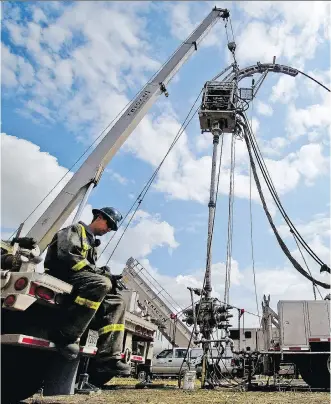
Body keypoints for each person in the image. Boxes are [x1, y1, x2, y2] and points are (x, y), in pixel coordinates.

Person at [44, 207, 130, 377]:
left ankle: (108, 358)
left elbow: (89, 271)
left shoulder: (92, 245)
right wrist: (103, 275)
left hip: (81, 281)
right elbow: (69, 257)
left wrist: (108, 277)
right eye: (109, 224)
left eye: (112, 228)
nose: (109, 230)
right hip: (63, 276)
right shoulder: (75, 230)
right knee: (102, 283)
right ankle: (66, 336)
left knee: (118, 301)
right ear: (99, 217)